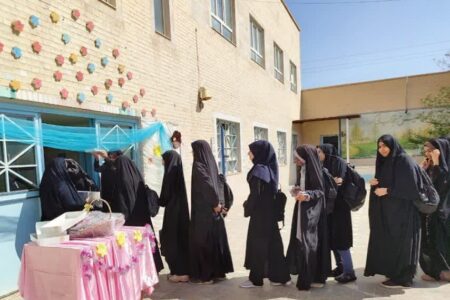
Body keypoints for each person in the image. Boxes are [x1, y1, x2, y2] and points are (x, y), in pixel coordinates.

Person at [364, 134, 421, 288]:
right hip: (390, 214)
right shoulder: (385, 162)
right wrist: (375, 184)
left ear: (393, 145)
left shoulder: (403, 160)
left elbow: (411, 189)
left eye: (385, 146)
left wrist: (387, 191)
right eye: (379, 146)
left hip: (403, 214)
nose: (382, 149)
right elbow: (385, 184)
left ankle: (403, 278)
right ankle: (393, 273)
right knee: (390, 243)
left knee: (402, 244)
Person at [240, 140, 291, 288]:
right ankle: (282, 277)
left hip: (260, 215)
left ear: (259, 153)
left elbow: (255, 195)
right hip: (270, 214)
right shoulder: (269, 168)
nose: (248, 154)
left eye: (251, 151)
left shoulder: (259, 170)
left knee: (258, 245)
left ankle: (256, 279)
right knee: (275, 245)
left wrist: (247, 206)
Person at [286, 145, 330, 290]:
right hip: (302, 209)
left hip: (312, 212)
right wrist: (297, 190)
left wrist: (307, 195)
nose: (295, 161)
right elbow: (302, 186)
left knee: (310, 243)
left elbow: (320, 191)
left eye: (297, 158)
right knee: (302, 241)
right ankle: (307, 274)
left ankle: (314, 276)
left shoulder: (317, 170)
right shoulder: (303, 169)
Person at [189, 140, 233, 284]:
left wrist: (215, 203)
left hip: (204, 211)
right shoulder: (211, 163)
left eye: (193, 150)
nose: (192, 153)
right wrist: (219, 203)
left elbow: (207, 186)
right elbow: (217, 184)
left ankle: (207, 275)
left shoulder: (199, 166)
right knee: (214, 241)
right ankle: (218, 272)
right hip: (213, 210)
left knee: (204, 242)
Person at [112, 155, 164, 272]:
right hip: (142, 217)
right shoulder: (137, 176)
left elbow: (121, 202)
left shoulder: (122, 178)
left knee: (134, 246)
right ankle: (152, 268)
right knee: (145, 243)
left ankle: (139, 271)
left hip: (130, 220)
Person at [317, 144, 356, 283]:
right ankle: (340, 268)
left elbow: (338, 182)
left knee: (342, 239)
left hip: (340, 209)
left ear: (326, 152)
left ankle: (349, 272)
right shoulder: (324, 164)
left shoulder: (339, 163)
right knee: (333, 239)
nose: (318, 154)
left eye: (319, 151)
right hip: (331, 208)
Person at [419, 138, 450, 282]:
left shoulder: (444, 167)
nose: (428, 153)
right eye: (426, 151)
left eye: (431, 150)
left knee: (441, 242)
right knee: (430, 242)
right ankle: (435, 271)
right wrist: (423, 170)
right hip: (430, 212)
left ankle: (445, 271)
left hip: (443, 213)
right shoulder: (430, 166)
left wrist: (437, 162)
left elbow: (441, 188)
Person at [159, 150, 190, 283]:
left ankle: (180, 273)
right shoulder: (177, 173)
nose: (162, 162)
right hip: (180, 212)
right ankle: (181, 271)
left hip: (173, 213)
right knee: (180, 240)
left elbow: (165, 197)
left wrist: (158, 200)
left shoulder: (170, 174)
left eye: (163, 160)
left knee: (173, 241)